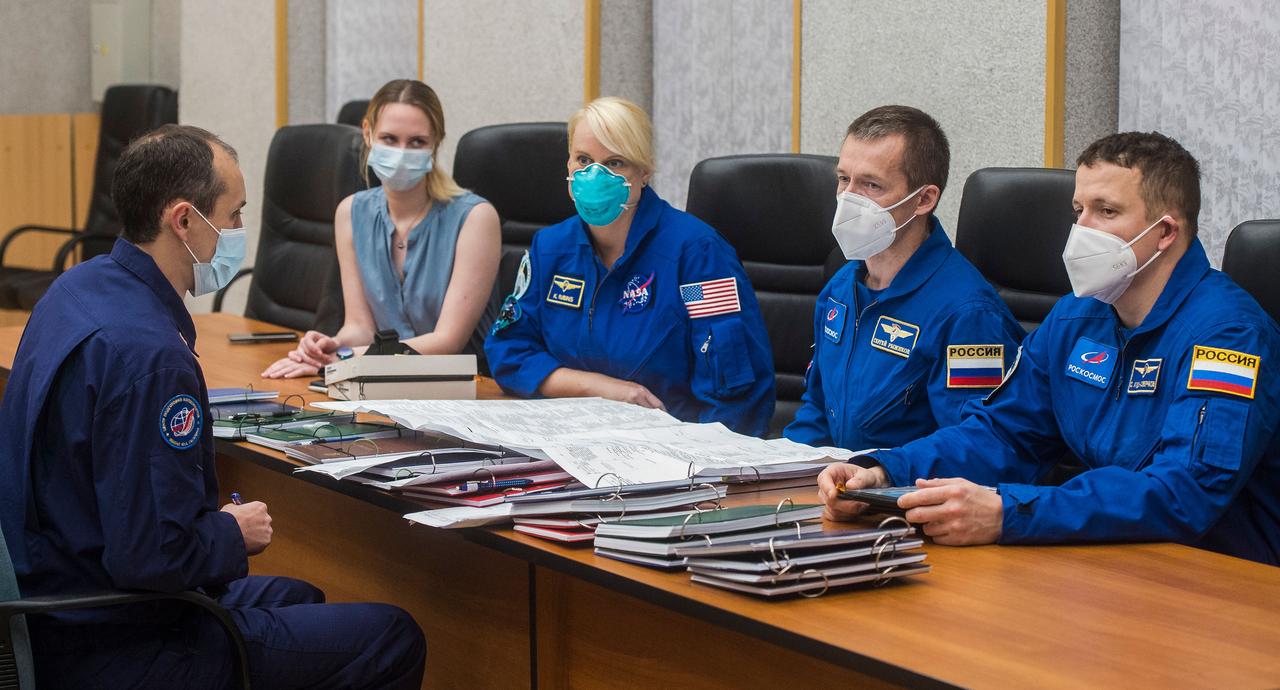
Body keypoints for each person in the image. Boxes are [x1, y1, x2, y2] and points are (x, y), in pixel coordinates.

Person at [0, 125, 426, 687]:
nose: (239, 232)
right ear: (183, 221)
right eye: (233, 216)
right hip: (115, 640)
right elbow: (150, 559)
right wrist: (234, 531)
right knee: (393, 634)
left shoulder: (77, 287)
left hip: (51, 596)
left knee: (300, 595)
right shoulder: (151, 358)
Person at [818, 131, 1280, 565]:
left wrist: (1009, 512)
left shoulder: (1229, 337)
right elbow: (1002, 432)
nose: (1082, 229)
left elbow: (1185, 492)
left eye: (1107, 211)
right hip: (1112, 558)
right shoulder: (1076, 318)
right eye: (1078, 210)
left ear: (1165, 233)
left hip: (1223, 575)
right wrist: (883, 471)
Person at [484, 96, 775, 436]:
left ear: (644, 170)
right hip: (568, 442)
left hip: (673, 455)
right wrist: (600, 388)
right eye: (583, 160)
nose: (594, 176)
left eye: (615, 163)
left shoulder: (698, 256)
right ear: (567, 164)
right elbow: (508, 350)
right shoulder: (550, 249)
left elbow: (736, 395)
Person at [784, 105, 1024, 451]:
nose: (849, 198)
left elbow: (976, 445)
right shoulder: (840, 289)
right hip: (839, 488)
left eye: (871, 185)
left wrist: (880, 473)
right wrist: (777, 471)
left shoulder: (969, 314)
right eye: (843, 179)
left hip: (908, 495)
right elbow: (818, 409)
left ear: (924, 199)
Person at [263, 78, 501, 378]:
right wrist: (328, 346)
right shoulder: (351, 212)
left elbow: (446, 342)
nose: (402, 152)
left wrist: (345, 357)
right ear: (367, 134)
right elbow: (360, 328)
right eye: (389, 139)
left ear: (436, 143)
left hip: (464, 389)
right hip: (382, 383)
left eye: (417, 142)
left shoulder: (475, 218)